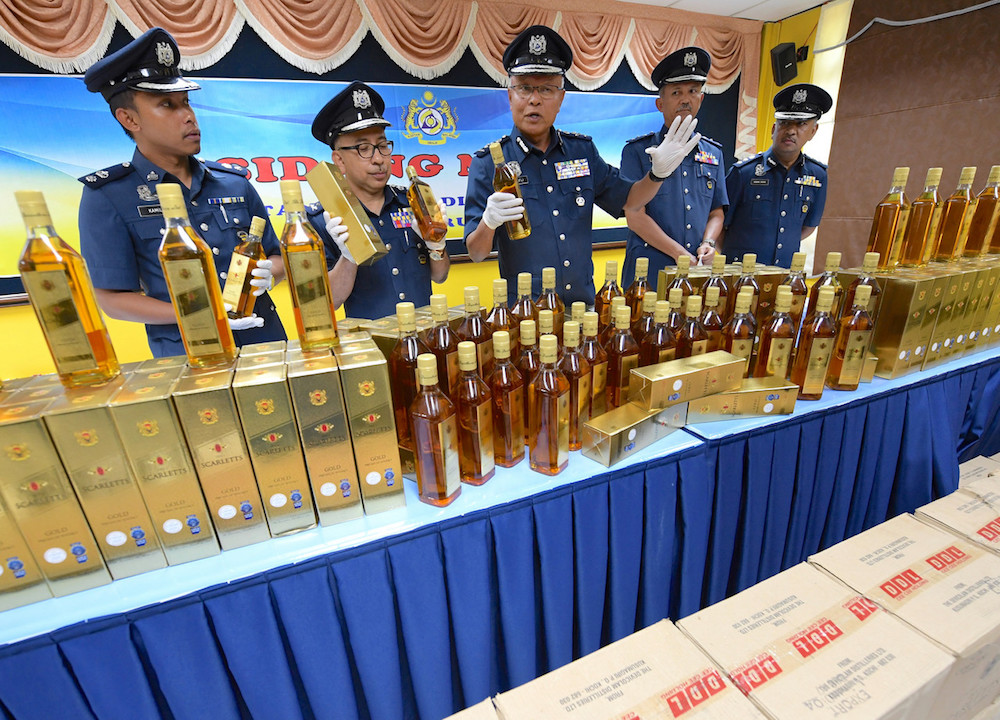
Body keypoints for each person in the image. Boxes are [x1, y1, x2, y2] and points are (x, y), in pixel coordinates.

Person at [78, 27, 285, 358]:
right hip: (190, 356)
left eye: (186, 102)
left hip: (267, 343)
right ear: (129, 118)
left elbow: (276, 256)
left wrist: (270, 273)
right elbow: (112, 299)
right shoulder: (109, 196)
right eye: (167, 104)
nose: (188, 115)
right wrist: (201, 315)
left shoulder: (233, 182)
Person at [464, 25, 699, 306]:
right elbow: (476, 252)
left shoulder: (582, 152)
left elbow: (630, 200)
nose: (534, 99)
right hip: (526, 316)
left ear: (561, 98)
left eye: (547, 89)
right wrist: (489, 223)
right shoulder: (489, 163)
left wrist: (657, 175)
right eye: (524, 87)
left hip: (583, 309)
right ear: (510, 95)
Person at [307, 81, 450, 320]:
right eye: (364, 148)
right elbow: (329, 302)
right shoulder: (326, 220)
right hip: (370, 348)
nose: (379, 159)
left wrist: (437, 246)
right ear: (339, 160)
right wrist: (349, 257)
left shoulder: (412, 202)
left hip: (424, 342)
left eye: (383, 146)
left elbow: (440, 275)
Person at [620, 46, 728, 289]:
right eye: (676, 92)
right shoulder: (638, 152)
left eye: (692, 91)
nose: (685, 99)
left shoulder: (714, 154)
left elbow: (717, 211)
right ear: (660, 103)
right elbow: (634, 215)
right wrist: (680, 255)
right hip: (649, 271)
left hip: (696, 270)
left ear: (701, 99)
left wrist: (709, 243)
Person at [720, 83, 832, 267]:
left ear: (813, 131)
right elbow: (719, 224)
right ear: (774, 129)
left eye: (801, 124)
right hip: (740, 275)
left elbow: (808, 226)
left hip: (784, 274)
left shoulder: (817, 176)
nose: (790, 131)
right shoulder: (744, 173)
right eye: (785, 123)